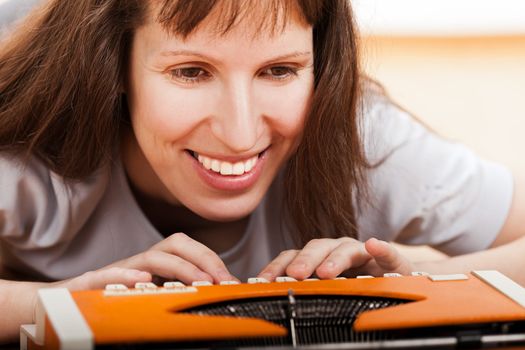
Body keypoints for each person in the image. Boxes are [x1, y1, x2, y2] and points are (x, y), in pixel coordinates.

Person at [0, 0, 524, 343]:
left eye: (279, 70)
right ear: (110, 64)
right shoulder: (27, 147)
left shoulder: (362, 140)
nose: (240, 131)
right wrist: (50, 302)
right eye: (190, 71)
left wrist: (413, 280)